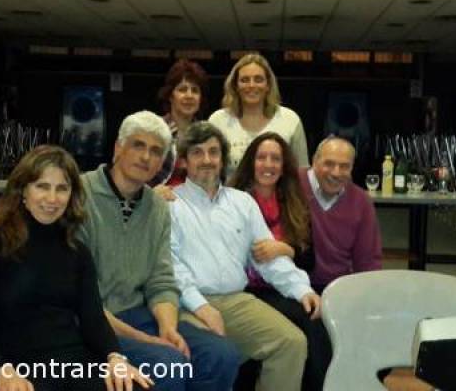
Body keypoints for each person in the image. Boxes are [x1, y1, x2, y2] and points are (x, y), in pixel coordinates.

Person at [77, 111, 240, 391]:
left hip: (141, 314)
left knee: (221, 354)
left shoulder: (157, 208)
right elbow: (79, 298)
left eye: (155, 151)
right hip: (92, 322)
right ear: (118, 148)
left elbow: (161, 280)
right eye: (138, 145)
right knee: (169, 363)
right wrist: (149, 341)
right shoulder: (79, 195)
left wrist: (168, 329)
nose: (145, 157)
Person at [0, 145, 152, 391]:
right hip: (15, 369)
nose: (52, 199)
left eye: (62, 188)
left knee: (136, 386)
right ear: (23, 190)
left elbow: (94, 320)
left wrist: (116, 358)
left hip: (74, 362)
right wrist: (1, 371)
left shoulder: (77, 251)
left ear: (71, 195)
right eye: (42, 186)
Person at [169, 122, 321, 391]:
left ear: (223, 159)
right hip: (187, 303)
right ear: (183, 161)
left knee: (292, 343)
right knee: (216, 354)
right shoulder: (170, 204)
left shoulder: (242, 202)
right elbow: (170, 267)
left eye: (213, 152)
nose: (207, 160)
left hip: (236, 301)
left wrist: (301, 289)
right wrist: (201, 306)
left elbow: (267, 257)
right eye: (197, 153)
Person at [229, 132, 332, 391]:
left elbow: (310, 261)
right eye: (261, 157)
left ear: (284, 166)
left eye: (275, 159)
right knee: (306, 324)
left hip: (287, 286)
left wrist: (285, 249)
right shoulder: (232, 200)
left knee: (318, 317)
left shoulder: (295, 202)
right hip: (245, 291)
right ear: (251, 162)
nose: (268, 164)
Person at [299, 136, 382, 294]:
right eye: (329, 164)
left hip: (337, 289)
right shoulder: (292, 184)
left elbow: (368, 262)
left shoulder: (361, 201)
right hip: (289, 285)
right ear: (314, 161)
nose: (336, 173)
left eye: (344, 166)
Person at [209, 53, 309, 178]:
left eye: (258, 79)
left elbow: (301, 172)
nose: (251, 85)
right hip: (229, 196)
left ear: (268, 85)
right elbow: (208, 169)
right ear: (235, 86)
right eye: (245, 80)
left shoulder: (290, 120)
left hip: (278, 197)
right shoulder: (218, 120)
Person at [150, 59, 208, 200]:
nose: (189, 95)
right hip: (156, 204)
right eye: (182, 89)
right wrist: (149, 193)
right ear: (170, 96)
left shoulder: (206, 134)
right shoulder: (153, 129)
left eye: (195, 90)